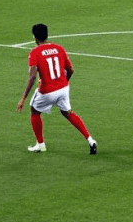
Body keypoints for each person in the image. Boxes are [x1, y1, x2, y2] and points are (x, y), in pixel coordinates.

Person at [16, 23, 97, 155]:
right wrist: (64, 83)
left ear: (35, 37)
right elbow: (70, 70)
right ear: (47, 35)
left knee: (35, 111)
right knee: (68, 113)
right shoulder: (59, 48)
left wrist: (23, 98)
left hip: (47, 91)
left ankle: (40, 145)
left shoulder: (34, 53)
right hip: (63, 88)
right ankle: (91, 140)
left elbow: (32, 78)